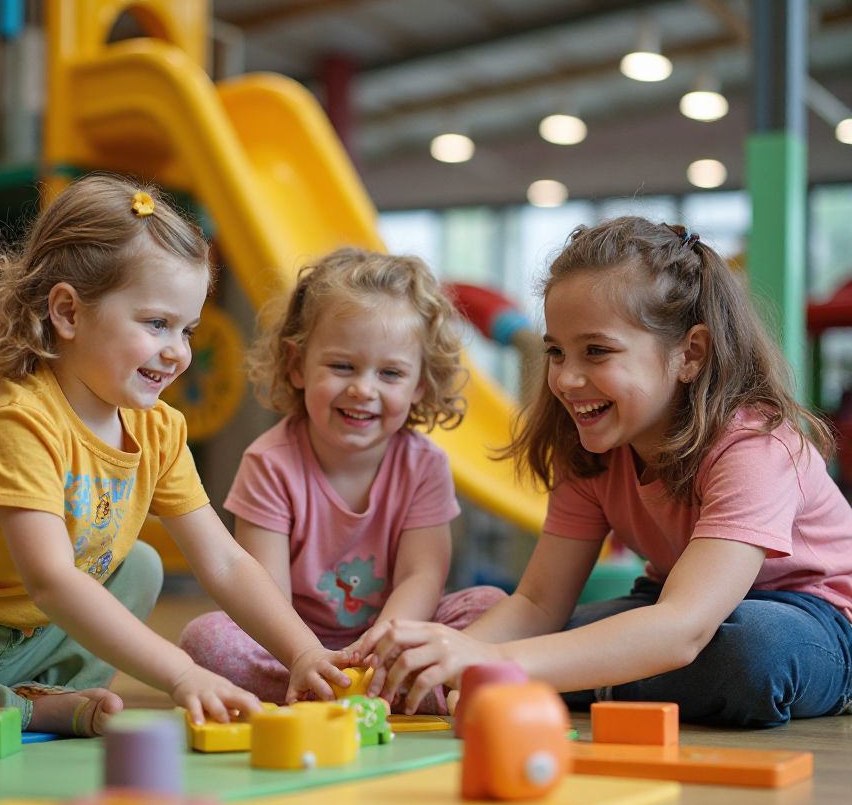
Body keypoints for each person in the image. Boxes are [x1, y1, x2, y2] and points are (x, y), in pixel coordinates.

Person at [0, 174, 350, 738]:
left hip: (36, 632)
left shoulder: (160, 430)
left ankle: (18, 695)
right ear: (69, 313)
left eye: (188, 329)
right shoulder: (20, 421)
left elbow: (223, 561)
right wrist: (180, 675)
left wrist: (304, 652)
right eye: (157, 324)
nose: (178, 352)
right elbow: (52, 580)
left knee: (140, 567)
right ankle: (26, 708)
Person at [351, 217, 852, 728]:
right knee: (557, 635)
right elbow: (539, 601)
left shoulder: (755, 444)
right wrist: (448, 658)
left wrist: (497, 664)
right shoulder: (592, 450)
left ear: (691, 354)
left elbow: (683, 627)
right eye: (555, 352)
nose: (566, 378)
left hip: (813, 618)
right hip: (671, 606)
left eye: (597, 351)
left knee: (750, 650)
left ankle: (581, 682)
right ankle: (597, 680)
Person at [179, 247, 505, 707]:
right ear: (297, 365)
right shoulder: (270, 462)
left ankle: (368, 688)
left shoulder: (424, 464)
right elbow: (265, 589)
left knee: (492, 608)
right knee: (206, 639)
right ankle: (372, 691)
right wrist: (306, 654)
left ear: (419, 386)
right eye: (342, 366)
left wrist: (382, 646)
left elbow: (422, 576)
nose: (362, 389)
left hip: (399, 636)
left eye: (390, 373)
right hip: (293, 640)